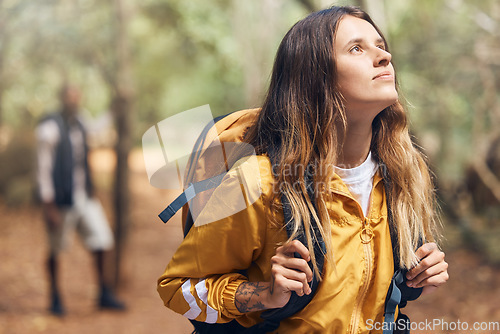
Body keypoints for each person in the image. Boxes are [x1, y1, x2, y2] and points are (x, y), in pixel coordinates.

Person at [157, 6, 448, 333]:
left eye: (380, 46)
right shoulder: (257, 182)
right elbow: (178, 287)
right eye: (356, 48)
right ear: (314, 77)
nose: (384, 56)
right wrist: (263, 294)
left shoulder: (404, 175)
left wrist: (420, 276)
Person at [36, 84, 125, 316]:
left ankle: (104, 293)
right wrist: (49, 205)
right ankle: (54, 297)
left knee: (102, 240)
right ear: (62, 99)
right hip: (61, 200)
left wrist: (113, 110)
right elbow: (43, 169)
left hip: (84, 196)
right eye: (69, 97)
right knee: (56, 250)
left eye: (77, 97)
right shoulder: (49, 127)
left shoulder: (81, 121)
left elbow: (96, 128)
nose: (74, 101)